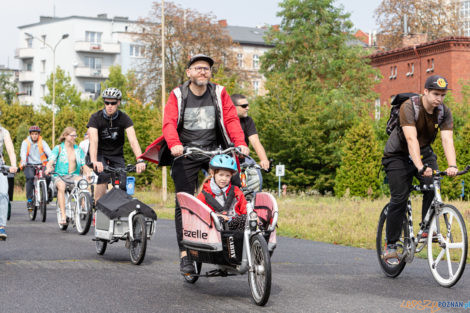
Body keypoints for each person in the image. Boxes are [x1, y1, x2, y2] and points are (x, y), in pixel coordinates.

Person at [142, 54, 249, 274]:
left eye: (207, 68)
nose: (203, 71)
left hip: (215, 150)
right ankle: (185, 254)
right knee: (185, 202)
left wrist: (240, 143)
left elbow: (230, 119)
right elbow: (169, 123)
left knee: (235, 188)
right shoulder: (178, 95)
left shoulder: (219, 93)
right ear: (189, 72)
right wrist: (174, 144)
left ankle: (232, 246)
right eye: (198, 68)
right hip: (186, 152)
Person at [382, 75, 457, 262]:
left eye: (443, 95)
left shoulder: (443, 112)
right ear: (425, 92)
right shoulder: (409, 106)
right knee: (400, 196)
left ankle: (426, 230)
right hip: (397, 154)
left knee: (434, 185)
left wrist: (452, 165)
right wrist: (420, 167)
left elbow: (447, 139)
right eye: (435, 94)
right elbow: (410, 139)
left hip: (423, 152)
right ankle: (390, 245)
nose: (439, 98)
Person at [87, 87, 146, 201]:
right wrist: (94, 160)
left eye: (113, 103)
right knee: (103, 175)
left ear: (118, 102)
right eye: (107, 102)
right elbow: (93, 141)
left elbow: (133, 140)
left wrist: (140, 160)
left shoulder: (124, 118)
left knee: (123, 183)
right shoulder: (95, 118)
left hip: (116, 155)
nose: (109, 106)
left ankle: (118, 211)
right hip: (100, 154)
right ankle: (98, 206)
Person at [45, 127, 89, 225]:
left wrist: (88, 173)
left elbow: (83, 164)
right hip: (60, 176)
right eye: (72, 135)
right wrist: (48, 168)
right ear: (65, 136)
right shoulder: (58, 148)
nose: (74, 137)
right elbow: (51, 161)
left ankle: (82, 207)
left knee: (82, 182)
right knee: (62, 186)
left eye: (75, 135)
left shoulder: (78, 149)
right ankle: (63, 216)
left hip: (73, 175)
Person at [197, 155, 247, 229]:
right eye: (221, 175)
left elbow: (245, 208)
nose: (224, 179)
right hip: (214, 228)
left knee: (247, 218)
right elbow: (199, 212)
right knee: (219, 220)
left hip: (234, 225)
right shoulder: (204, 194)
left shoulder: (236, 191)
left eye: (227, 176)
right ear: (212, 173)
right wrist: (216, 216)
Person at [231, 94, 270, 170]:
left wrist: (264, 159)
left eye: (248, 105)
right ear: (233, 107)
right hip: (223, 160)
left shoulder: (248, 120)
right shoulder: (222, 120)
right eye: (244, 106)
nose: (247, 108)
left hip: (241, 161)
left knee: (257, 178)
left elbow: (255, 141)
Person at [20, 125, 52, 211]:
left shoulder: (42, 142)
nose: (34, 135)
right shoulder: (25, 142)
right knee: (30, 178)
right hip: (29, 164)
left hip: (41, 164)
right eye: (33, 134)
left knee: (48, 176)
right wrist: (23, 162)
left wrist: (52, 160)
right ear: (30, 134)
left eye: (36, 134)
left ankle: (46, 191)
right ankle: (30, 200)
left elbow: (49, 152)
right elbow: (23, 153)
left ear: (39, 134)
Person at [0, 121, 18, 239]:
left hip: (0, 165)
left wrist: (13, 165)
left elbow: (10, 149)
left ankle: (1, 226)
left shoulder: (4, 132)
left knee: (3, 193)